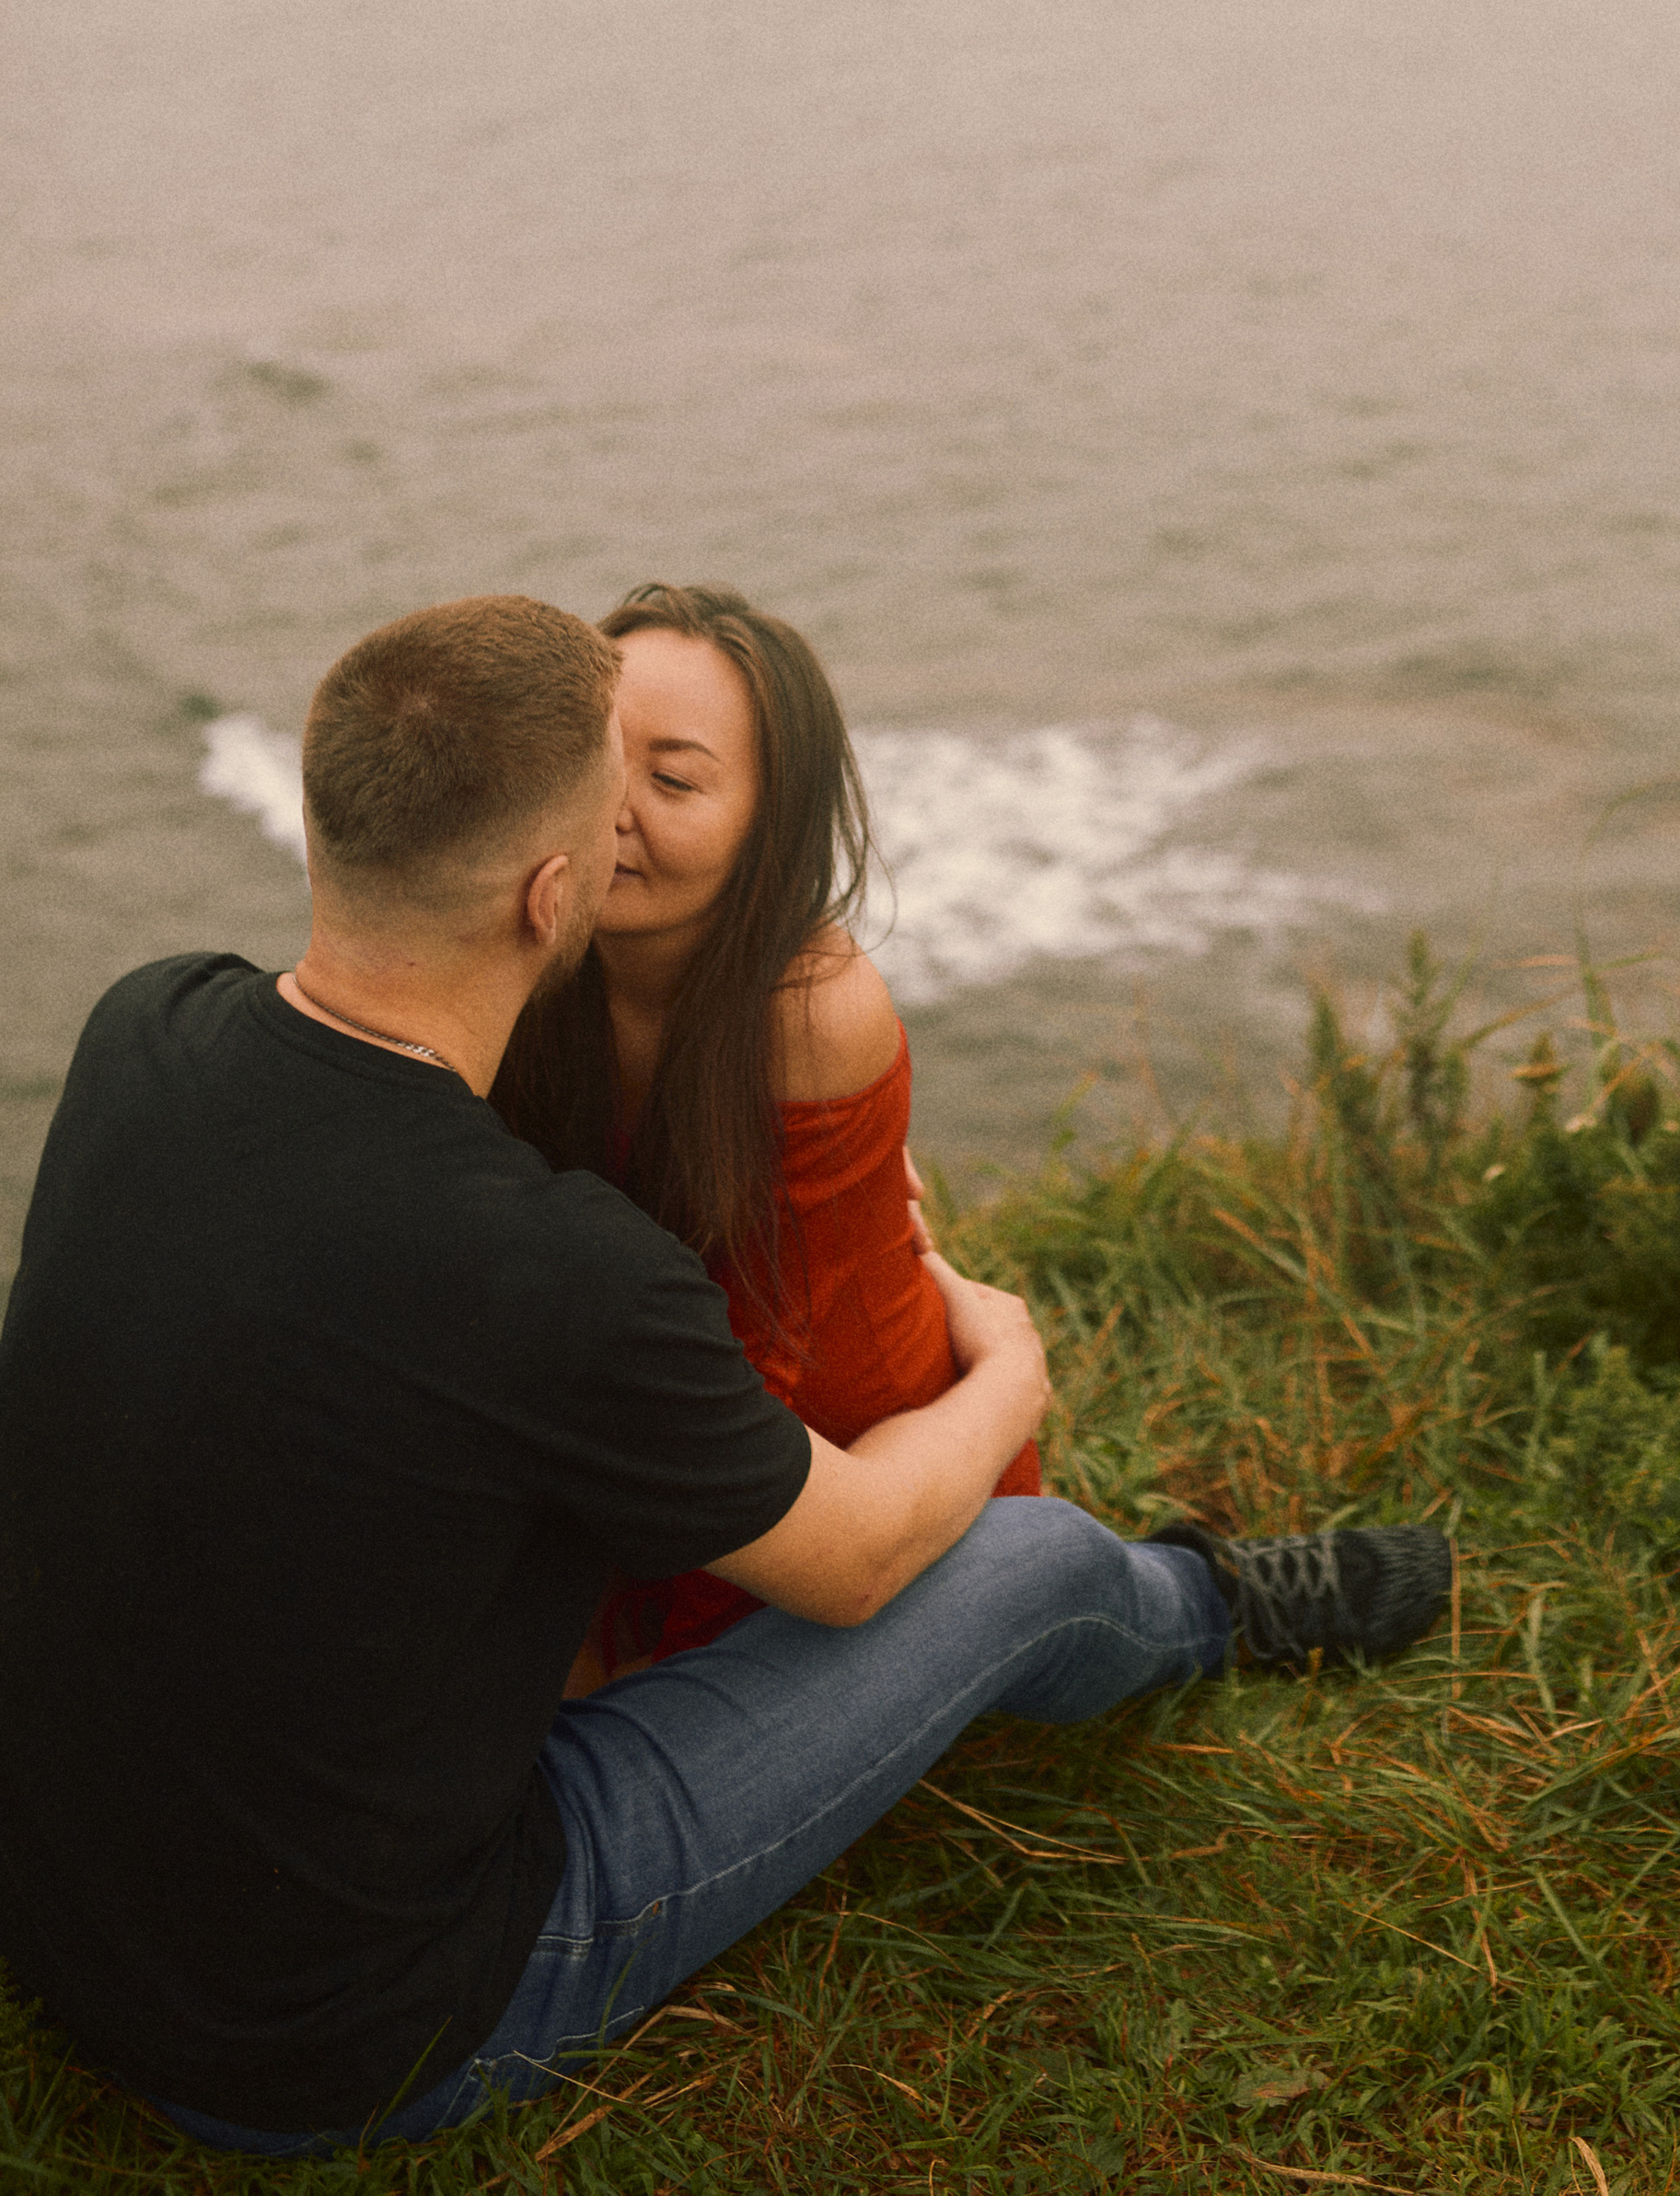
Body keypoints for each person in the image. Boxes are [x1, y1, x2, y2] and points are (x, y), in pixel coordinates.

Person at [0, 594, 1450, 2155]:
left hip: (61, 1922)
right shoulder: (546, 1274)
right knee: (1022, 1556)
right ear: (555, 892)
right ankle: (1205, 1606)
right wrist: (1011, 1373)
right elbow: (858, 1559)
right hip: (343, 2041)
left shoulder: (145, 1024)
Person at [492, 582, 1037, 1689]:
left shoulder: (806, 1011)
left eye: (676, 779)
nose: (611, 810)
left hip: (858, 1479)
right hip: (656, 1447)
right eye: (594, 759)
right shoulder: (523, 940)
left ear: (769, 825)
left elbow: (758, 1375)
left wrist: (603, 1623)